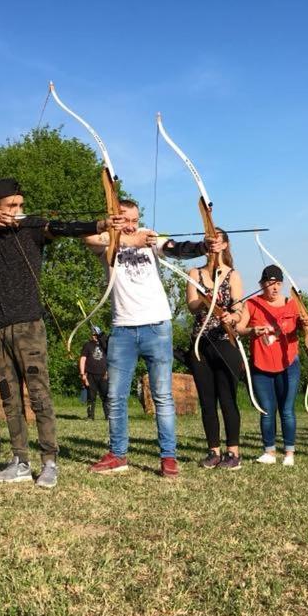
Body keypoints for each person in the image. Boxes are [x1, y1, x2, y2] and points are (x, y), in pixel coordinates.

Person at [0, 178, 122, 488]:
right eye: (11, 206)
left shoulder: (33, 227)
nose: (18, 211)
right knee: (10, 398)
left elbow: (64, 227)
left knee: (39, 396)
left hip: (29, 325)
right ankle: (20, 461)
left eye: (21, 205)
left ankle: (49, 462)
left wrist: (102, 222)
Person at [85, 200, 208, 477]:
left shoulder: (149, 236)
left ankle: (168, 457)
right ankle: (118, 454)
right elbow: (89, 238)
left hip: (157, 326)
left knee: (162, 396)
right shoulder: (108, 240)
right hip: (123, 329)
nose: (132, 224)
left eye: (135, 219)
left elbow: (176, 248)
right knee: (115, 396)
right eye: (125, 219)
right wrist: (127, 237)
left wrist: (202, 247)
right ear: (115, 219)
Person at [237, 265, 308, 466]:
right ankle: (269, 451)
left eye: (278, 284)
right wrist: (252, 330)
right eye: (270, 284)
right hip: (261, 364)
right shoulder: (252, 304)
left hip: (288, 363)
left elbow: (304, 326)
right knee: (267, 410)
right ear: (262, 285)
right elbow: (239, 328)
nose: (275, 288)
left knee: (287, 409)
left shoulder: (292, 304)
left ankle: (289, 453)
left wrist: (307, 326)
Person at [185, 230, 245, 470]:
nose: (214, 244)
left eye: (218, 240)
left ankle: (233, 453)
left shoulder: (233, 275)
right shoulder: (194, 273)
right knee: (207, 401)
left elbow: (239, 307)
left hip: (224, 341)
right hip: (201, 343)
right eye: (210, 240)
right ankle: (213, 451)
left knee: (227, 398)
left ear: (225, 244)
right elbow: (191, 306)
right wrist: (204, 299)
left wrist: (233, 316)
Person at [79, 326, 109, 420]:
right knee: (91, 397)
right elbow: (83, 359)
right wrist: (82, 374)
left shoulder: (104, 345)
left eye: (96, 335)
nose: (95, 336)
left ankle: (108, 416)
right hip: (90, 374)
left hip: (103, 374)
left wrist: (108, 372)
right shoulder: (87, 345)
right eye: (93, 334)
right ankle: (90, 416)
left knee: (106, 396)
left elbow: (110, 358)